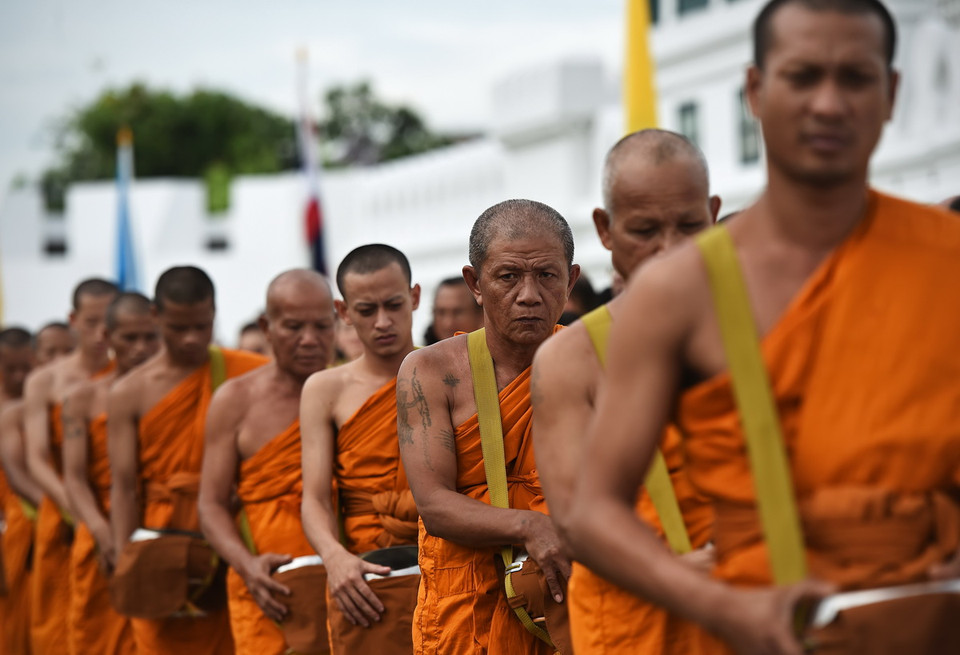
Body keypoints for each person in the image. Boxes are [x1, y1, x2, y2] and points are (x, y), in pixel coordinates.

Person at [567, 2, 960, 654]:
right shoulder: (681, 290)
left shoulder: (947, 258)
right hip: (755, 629)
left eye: (856, 78)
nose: (829, 104)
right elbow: (594, 511)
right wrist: (720, 602)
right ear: (755, 90)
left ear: (891, 93)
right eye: (803, 76)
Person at [532, 129, 720, 654]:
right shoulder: (571, 358)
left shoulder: (766, 324)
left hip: (756, 597)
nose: (670, 251)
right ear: (605, 229)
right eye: (644, 230)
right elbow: (572, 520)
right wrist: (685, 576)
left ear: (714, 213)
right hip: (634, 617)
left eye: (690, 225)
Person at [397, 199, 580, 654]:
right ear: (474, 284)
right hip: (468, 610)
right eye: (508, 276)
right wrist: (531, 527)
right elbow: (434, 505)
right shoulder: (431, 371)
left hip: (571, 597)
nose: (529, 295)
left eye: (547, 275)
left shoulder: (595, 360)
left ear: (571, 280)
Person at [108, 266, 267, 655]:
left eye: (202, 325)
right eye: (179, 328)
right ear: (156, 317)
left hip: (232, 537)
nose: (192, 338)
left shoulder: (250, 373)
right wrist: (128, 561)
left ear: (214, 313)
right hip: (161, 541)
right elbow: (125, 488)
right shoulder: (129, 392)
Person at [198, 270, 336, 655]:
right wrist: (247, 566)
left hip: (343, 586)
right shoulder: (236, 400)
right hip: (265, 589)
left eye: (321, 326)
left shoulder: (352, 393)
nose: (309, 339)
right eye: (293, 326)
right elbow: (210, 504)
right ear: (267, 326)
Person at [300, 244, 421, 653]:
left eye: (394, 304)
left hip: (448, 564)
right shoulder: (325, 389)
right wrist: (334, 558)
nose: (383, 322)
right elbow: (313, 497)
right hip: (365, 574)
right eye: (366, 310)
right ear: (344, 312)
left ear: (415, 297)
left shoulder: (452, 371)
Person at [61, 292, 160, 655]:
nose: (141, 348)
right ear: (108, 337)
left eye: (150, 337)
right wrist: (105, 535)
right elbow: (73, 477)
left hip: (160, 518)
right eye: (129, 338)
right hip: (100, 520)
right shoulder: (83, 399)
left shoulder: (174, 391)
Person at [23, 278, 118, 653]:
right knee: (58, 624)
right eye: (91, 322)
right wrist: (75, 509)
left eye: (108, 321)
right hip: (62, 513)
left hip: (117, 508)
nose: (101, 332)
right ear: (73, 319)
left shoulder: (126, 377)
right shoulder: (46, 381)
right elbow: (36, 456)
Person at [0, 327, 38, 653]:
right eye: (10, 368)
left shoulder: (43, 407)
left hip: (43, 530)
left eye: (27, 367)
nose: (20, 376)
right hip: (12, 531)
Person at [424, 276, 484, 344]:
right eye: (441, 312)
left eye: (457, 312)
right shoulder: (417, 353)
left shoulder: (495, 353)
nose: (448, 324)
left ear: (481, 314)